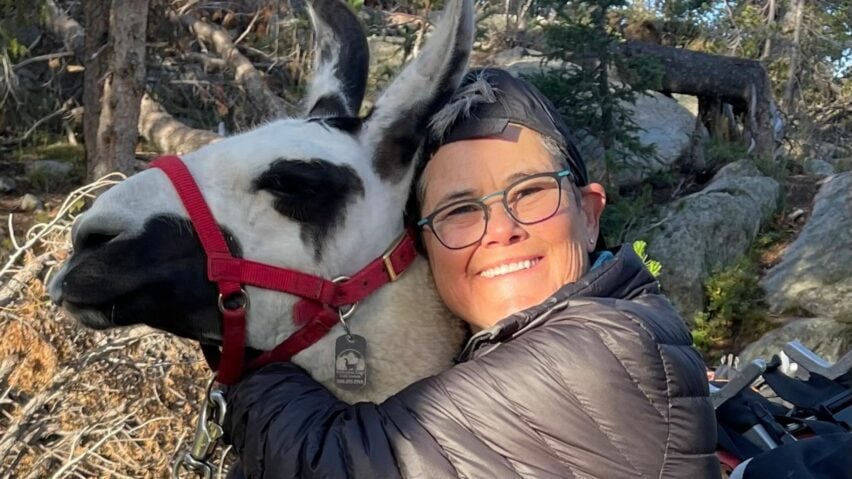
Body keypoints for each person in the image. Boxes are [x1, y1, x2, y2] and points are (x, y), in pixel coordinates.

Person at [221, 68, 720, 478]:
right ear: (424, 249)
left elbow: (330, 463)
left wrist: (245, 344)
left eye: (530, 192)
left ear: (589, 216)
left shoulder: (607, 349)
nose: (500, 230)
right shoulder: (507, 345)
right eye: (458, 210)